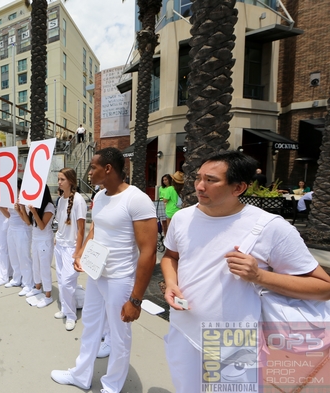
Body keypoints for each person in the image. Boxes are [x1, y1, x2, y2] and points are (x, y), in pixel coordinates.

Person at [160, 151, 330, 393]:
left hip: (234, 339)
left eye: (211, 180)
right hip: (183, 328)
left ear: (238, 187)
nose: (199, 186)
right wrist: (171, 282)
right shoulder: (182, 218)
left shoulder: (271, 227)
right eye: (198, 178)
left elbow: (324, 288)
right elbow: (170, 257)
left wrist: (259, 276)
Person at [51, 147, 157, 393]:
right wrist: (82, 255)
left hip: (120, 279)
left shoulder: (136, 199)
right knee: (89, 324)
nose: (89, 172)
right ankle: (80, 375)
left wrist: (136, 299)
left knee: (119, 336)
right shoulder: (99, 196)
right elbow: (95, 228)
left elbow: (149, 253)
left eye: (93, 167)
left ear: (108, 169)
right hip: (97, 274)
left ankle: (111, 386)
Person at [53, 167, 87, 331]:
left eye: (62, 180)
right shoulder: (60, 200)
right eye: (58, 179)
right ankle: (66, 309)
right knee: (60, 279)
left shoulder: (79, 200)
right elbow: (60, 223)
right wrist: (56, 237)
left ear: (71, 181)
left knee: (67, 283)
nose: (59, 182)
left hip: (71, 248)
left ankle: (71, 315)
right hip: (59, 245)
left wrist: (78, 252)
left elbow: (81, 229)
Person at [23, 185, 55, 308]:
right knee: (35, 264)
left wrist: (34, 212)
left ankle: (48, 295)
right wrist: (21, 208)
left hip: (44, 241)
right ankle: (37, 287)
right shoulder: (35, 205)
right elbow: (29, 222)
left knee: (44, 267)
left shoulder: (49, 206)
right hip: (36, 239)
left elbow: (42, 226)